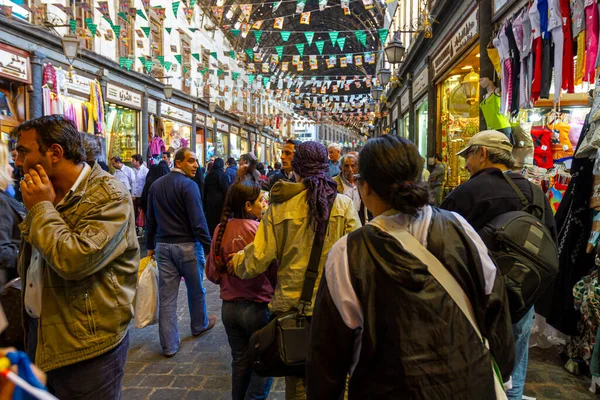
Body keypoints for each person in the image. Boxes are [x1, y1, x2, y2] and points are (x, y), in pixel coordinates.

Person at [306, 135, 515, 399]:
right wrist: (501, 374)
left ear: (365, 187)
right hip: (469, 384)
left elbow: (327, 354)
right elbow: (494, 304)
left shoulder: (348, 252)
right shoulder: (459, 228)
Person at [11, 115, 138, 399]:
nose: (18, 162)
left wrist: (42, 209)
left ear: (54, 153)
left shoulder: (109, 195)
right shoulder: (44, 193)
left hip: (87, 348)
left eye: (23, 151)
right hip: (40, 332)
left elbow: (74, 260)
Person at [229, 141, 361, 398]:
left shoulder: (280, 208)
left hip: (294, 311)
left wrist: (235, 262)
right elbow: (357, 258)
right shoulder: (343, 205)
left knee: (300, 384)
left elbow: (257, 259)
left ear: (298, 169)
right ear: (325, 167)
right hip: (337, 308)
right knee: (340, 379)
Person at [441, 130, 556, 400]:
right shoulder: (535, 193)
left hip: (475, 300)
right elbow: (550, 244)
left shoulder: (468, 191)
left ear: (482, 154)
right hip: (522, 300)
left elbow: (442, 242)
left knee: (472, 368)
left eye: (468, 155)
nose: (466, 163)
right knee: (513, 373)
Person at [206, 181, 276, 400]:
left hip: (230, 309)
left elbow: (212, 273)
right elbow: (274, 270)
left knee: (240, 362)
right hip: (257, 307)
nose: (263, 204)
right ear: (248, 206)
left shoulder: (220, 229)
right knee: (263, 364)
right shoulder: (259, 230)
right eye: (259, 201)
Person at [146, 148, 216, 357]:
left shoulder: (156, 185)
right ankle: (199, 324)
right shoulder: (189, 186)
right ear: (178, 163)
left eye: (196, 161)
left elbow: (150, 219)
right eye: (191, 161)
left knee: (167, 297)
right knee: (196, 290)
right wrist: (209, 248)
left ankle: (169, 345)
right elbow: (198, 221)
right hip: (187, 246)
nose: (196, 165)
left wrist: (150, 246)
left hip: (163, 247)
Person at [0, 143, 25, 289]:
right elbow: (2, 251)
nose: (12, 167)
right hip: (7, 284)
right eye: (7, 161)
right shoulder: (1, 201)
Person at [332, 153, 370, 225]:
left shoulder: (362, 183)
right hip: (341, 223)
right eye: (346, 166)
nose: (350, 169)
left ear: (357, 167)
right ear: (340, 168)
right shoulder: (333, 183)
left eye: (353, 166)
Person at [204, 157, 231, 245]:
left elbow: (205, 190)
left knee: (211, 222)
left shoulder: (209, 175)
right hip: (219, 203)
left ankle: (212, 240)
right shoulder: (223, 175)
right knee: (219, 222)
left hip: (209, 201)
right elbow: (226, 190)